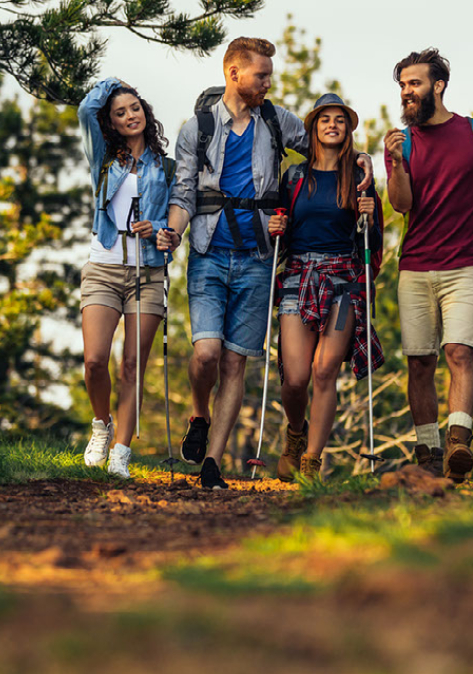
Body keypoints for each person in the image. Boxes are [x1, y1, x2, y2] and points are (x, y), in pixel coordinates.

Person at [157, 37, 372, 490]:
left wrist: (363, 158)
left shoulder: (276, 120)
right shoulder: (196, 128)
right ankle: (200, 411)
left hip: (258, 256)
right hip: (208, 251)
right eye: (262, 75)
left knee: (236, 363)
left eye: (270, 75)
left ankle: (212, 465)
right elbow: (183, 193)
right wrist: (173, 231)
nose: (268, 83)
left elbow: (326, 147)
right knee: (206, 354)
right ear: (233, 73)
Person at [383, 48, 473, 482]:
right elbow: (400, 204)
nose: (407, 93)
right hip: (415, 266)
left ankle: (458, 443)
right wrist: (394, 164)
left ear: (438, 85)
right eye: (403, 86)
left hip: (466, 264)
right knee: (419, 362)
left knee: (460, 352)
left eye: (414, 84)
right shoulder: (403, 142)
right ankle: (427, 449)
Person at [272, 93, 384, 482]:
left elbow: (373, 242)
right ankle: (295, 434)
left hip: (342, 283)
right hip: (298, 278)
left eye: (340, 119)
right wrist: (275, 228)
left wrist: (367, 217)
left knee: (324, 371)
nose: (333, 125)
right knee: (296, 377)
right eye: (325, 119)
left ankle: (312, 462)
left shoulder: (360, 180)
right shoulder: (295, 177)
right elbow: (280, 229)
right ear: (314, 127)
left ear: (348, 129)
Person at [77, 77, 176, 479]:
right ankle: (102, 425)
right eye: (120, 113)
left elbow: (173, 225)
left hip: (147, 272)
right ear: (112, 123)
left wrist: (164, 232)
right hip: (103, 266)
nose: (129, 115)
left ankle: (121, 452)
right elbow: (86, 109)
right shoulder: (102, 156)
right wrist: (115, 84)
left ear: (145, 113)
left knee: (133, 365)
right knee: (95, 360)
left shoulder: (165, 166)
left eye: (134, 108)